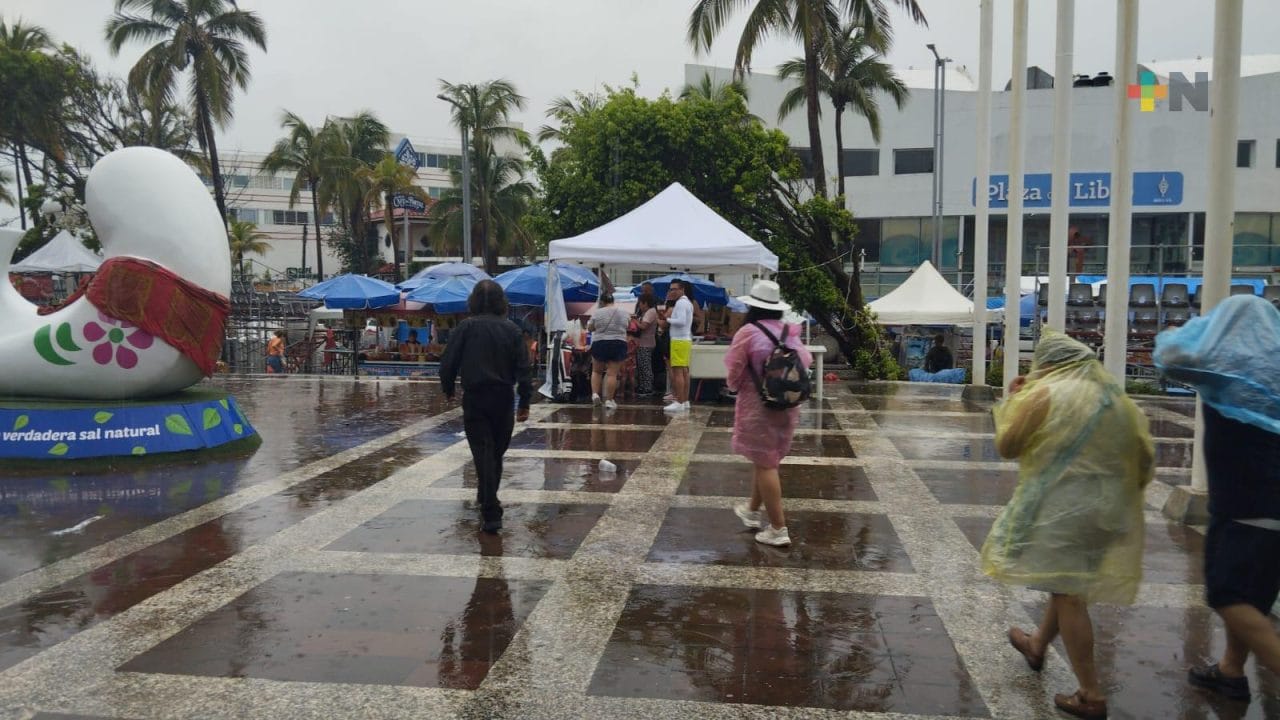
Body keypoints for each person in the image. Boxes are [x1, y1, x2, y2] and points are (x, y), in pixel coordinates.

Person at [983, 330, 1154, 720]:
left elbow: (1008, 445)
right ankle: (1037, 644)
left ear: (1047, 364)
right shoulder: (1115, 399)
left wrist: (1015, 401)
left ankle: (1090, 694)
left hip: (1065, 511)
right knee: (1066, 584)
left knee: (1069, 594)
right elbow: (1143, 456)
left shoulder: (1045, 395)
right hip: (1109, 511)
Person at [1152, 295, 1280, 704]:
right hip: (1269, 511)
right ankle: (1229, 671)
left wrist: (1190, 329)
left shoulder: (1225, 369)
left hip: (1245, 506)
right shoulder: (1271, 373)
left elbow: (1169, 356)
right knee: (1253, 599)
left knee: (1227, 594)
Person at [439, 280, 532, 534]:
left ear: (474, 301)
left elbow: (448, 361)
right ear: (502, 302)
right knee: (495, 453)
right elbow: (524, 368)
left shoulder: (465, 328)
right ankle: (490, 508)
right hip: (503, 400)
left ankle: (487, 498)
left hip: (476, 398)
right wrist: (524, 401)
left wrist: (447, 387)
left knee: (484, 453)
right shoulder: (512, 330)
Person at [726, 280, 812, 547]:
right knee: (766, 458)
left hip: (758, 405)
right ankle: (752, 511)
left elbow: (735, 367)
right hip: (787, 403)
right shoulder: (789, 330)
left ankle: (778, 528)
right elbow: (805, 361)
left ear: (752, 306)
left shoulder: (748, 332)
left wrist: (733, 385)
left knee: (765, 463)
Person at [587, 292, 629, 410]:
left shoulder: (597, 312)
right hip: (618, 342)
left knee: (596, 371)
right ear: (612, 301)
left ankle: (595, 394)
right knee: (612, 373)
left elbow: (590, 328)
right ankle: (609, 400)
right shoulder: (623, 312)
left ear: (602, 302)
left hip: (600, 342)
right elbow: (627, 325)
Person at [663, 279, 694, 413]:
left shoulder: (681, 303)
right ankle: (685, 400)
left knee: (678, 372)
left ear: (682, 290)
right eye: (671, 289)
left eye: (675, 289)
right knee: (684, 372)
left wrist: (667, 319)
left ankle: (679, 402)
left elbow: (681, 321)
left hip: (679, 340)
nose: (672, 292)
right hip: (685, 339)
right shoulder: (687, 303)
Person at [633, 295, 660, 397]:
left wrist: (635, 321)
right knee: (642, 365)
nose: (639, 305)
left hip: (646, 343)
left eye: (640, 303)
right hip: (644, 343)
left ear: (645, 303)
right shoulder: (648, 312)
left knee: (645, 366)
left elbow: (643, 326)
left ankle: (647, 387)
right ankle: (643, 386)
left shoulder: (650, 312)